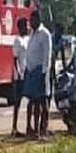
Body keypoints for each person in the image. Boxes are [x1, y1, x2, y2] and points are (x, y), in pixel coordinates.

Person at [24, 10, 52, 138]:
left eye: (32, 20)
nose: (30, 23)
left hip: (40, 71)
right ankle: (35, 130)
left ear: (38, 19)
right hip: (31, 71)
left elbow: (47, 55)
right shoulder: (32, 34)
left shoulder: (44, 34)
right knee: (34, 101)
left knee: (43, 102)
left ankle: (43, 128)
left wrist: (44, 72)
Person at [11, 17, 30, 137]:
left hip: (28, 74)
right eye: (26, 26)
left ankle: (29, 126)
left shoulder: (29, 39)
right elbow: (15, 58)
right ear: (20, 27)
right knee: (17, 103)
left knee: (32, 101)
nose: (28, 28)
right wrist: (18, 72)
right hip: (20, 75)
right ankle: (14, 127)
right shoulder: (17, 40)